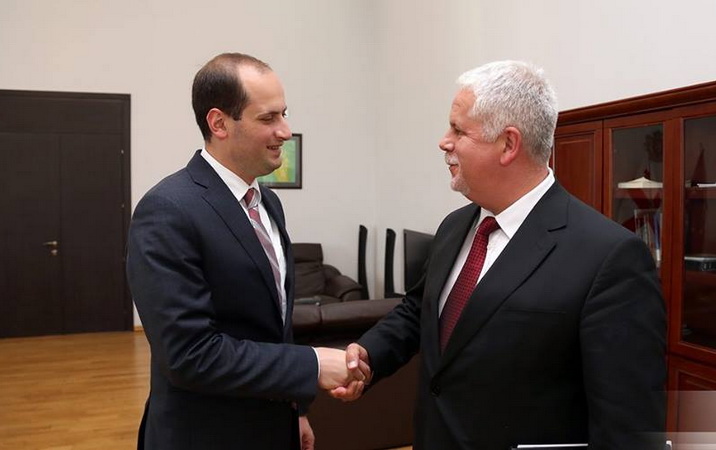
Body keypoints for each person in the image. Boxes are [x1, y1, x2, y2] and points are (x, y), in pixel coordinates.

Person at [337, 61, 667, 449]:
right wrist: (370, 355)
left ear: (508, 144)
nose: (444, 142)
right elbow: (419, 309)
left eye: (458, 130)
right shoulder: (455, 226)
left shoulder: (610, 257)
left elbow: (628, 426)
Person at [126, 53, 364, 450]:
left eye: (284, 114)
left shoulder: (268, 203)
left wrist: (297, 410)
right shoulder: (168, 210)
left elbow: (273, 326)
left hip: (273, 426)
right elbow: (189, 354)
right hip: (205, 436)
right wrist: (313, 365)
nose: (285, 131)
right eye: (268, 118)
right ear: (219, 123)